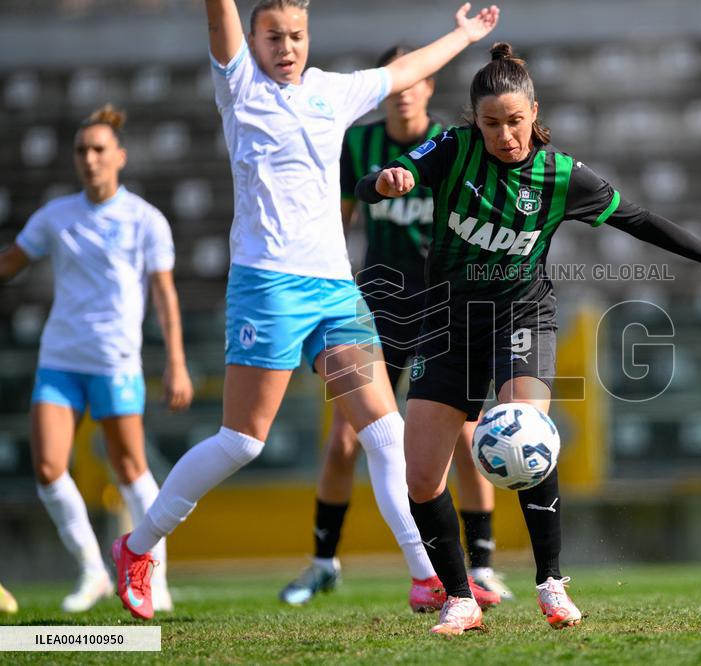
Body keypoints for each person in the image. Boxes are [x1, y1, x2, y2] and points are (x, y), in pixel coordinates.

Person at [356, 42, 701, 635]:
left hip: (521, 317)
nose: (504, 135)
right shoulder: (452, 149)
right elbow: (370, 181)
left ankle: (550, 583)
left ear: (534, 113)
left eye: (514, 121)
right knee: (421, 477)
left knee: (525, 433)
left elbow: (639, 220)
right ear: (475, 121)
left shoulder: (560, 175)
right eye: (491, 124)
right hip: (449, 323)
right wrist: (387, 182)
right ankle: (460, 598)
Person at [110, 0, 499, 621]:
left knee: (385, 432)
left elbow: (406, 71)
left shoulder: (331, 92)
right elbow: (218, 17)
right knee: (242, 441)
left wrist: (463, 35)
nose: (286, 47)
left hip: (335, 291)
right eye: (273, 37)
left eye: (295, 35)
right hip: (269, 287)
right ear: (253, 41)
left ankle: (427, 577)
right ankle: (137, 546)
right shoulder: (240, 85)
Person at [279, 44, 512, 608]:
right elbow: (338, 223)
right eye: (398, 84)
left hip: (442, 307)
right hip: (375, 309)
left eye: (416, 82)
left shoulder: (450, 145)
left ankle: (481, 566)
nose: (406, 92)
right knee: (344, 438)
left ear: (428, 87)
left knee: (465, 436)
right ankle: (323, 562)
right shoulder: (358, 144)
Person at [0, 105, 193, 614]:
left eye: (99, 150)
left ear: (119, 157)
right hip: (60, 359)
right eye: (82, 150)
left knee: (130, 470)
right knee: (48, 467)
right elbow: (10, 262)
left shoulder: (145, 220)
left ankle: (152, 574)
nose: (90, 159)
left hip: (115, 361)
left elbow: (165, 295)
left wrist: (175, 361)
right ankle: (93, 570)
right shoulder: (55, 216)